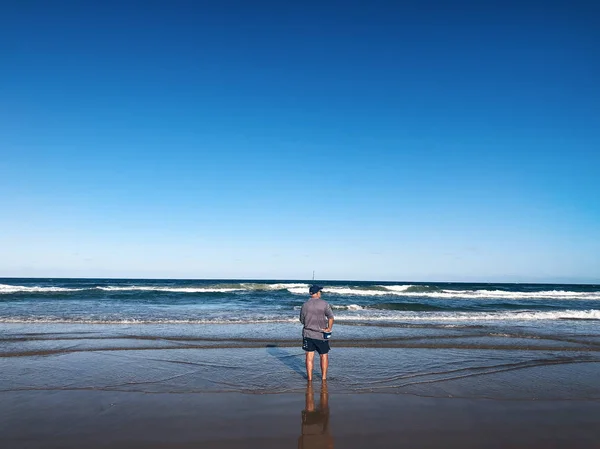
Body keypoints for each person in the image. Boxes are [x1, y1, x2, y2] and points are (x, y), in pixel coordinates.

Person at [299, 285, 334, 381]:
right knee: (324, 355)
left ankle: (309, 378)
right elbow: (331, 317)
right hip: (321, 334)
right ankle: (323, 378)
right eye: (320, 291)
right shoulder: (324, 304)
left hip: (308, 334)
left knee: (309, 357)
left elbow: (302, 320)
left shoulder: (305, 305)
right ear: (317, 293)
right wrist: (329, 328)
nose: (321, 293)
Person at [298, 381, 334, 448]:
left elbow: (300, 442)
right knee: (323, 407)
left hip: (309, 437)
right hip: (317, 436)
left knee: (310, 407)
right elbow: (330, 444)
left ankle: (311, 383)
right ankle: (323, 382)